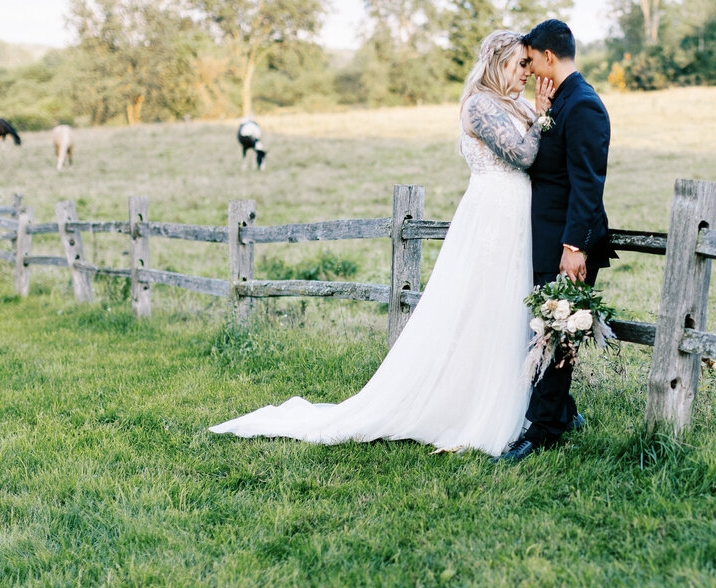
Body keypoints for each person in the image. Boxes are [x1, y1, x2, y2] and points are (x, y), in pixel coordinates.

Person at [210, 31, 555, 456]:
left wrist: (537, 114)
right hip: (492, 218)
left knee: (507, 306)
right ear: (499, 62)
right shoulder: (481, 104)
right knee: (483, 305)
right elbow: (522, 155)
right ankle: (469, 405)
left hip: (517, 217)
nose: (528, 72)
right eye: (520, 63)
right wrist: (541, 116)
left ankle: (516, 399)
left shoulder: (514, 103)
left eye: (528, 64)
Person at [498, 19, 613, 463]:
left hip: (568, 245)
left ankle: (543, 431)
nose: (529, 69)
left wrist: (574, 248)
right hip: (546, 237)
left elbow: (588, 184)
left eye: (530, 60)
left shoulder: (583, 105)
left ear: (548, 57)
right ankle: (563, 412)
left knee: (557, 332)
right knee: (547, 327)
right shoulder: (559, 100)